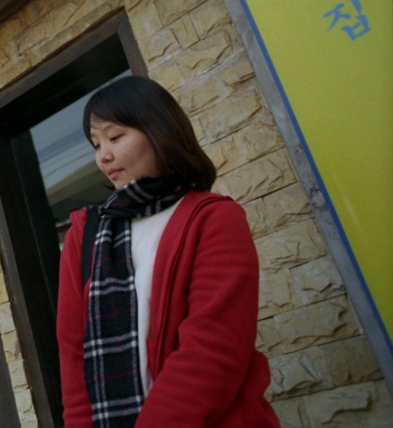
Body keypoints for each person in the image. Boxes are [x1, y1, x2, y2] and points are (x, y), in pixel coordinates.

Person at [56, 75, 279, 428]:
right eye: (96, 145)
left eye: (115, 137)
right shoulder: (85, 235)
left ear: (159, 131)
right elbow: (74, 358)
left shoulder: (212, 217)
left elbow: (213, 349)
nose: (104, 156)